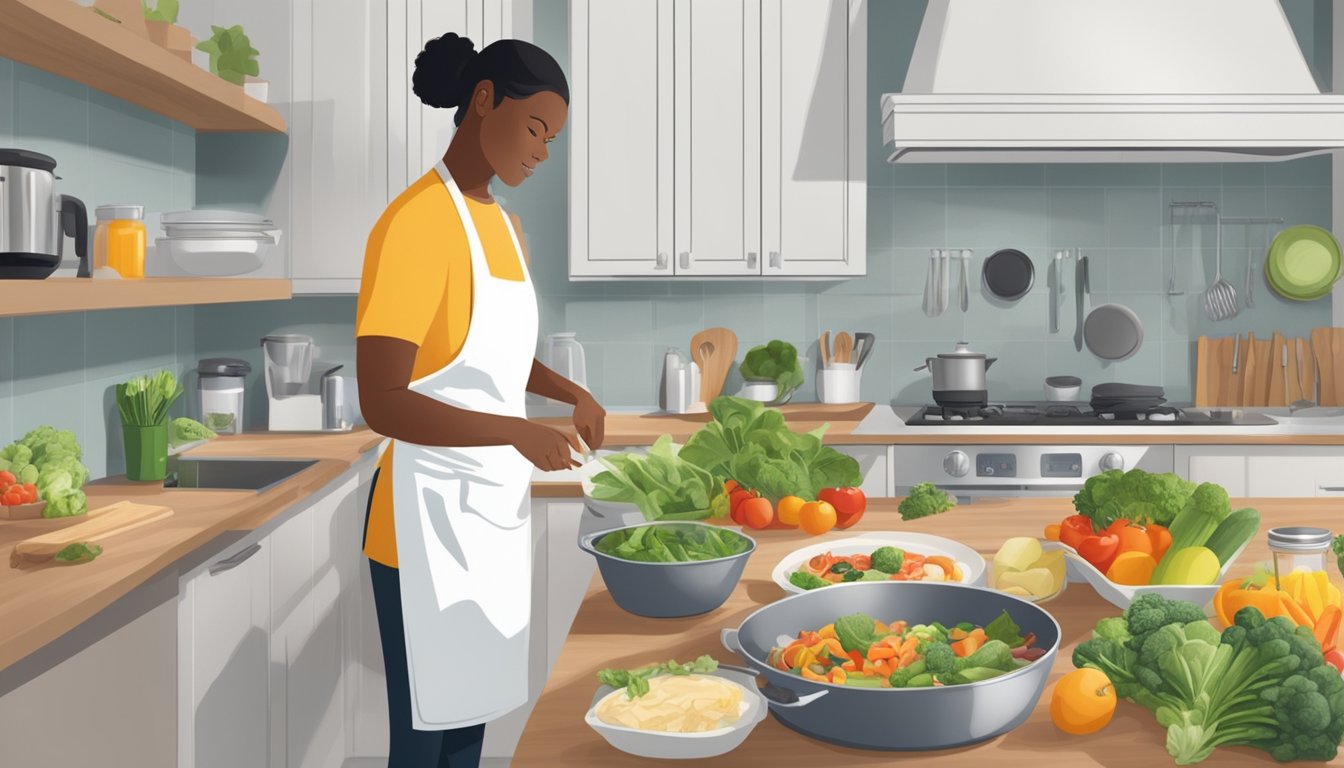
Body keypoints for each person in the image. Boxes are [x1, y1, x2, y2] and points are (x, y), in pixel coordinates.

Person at [354, 33, 603, 768]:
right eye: (536, 129)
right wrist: (518, 434)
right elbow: (383, 401)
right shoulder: (412, 224)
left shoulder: (501, 223)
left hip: (488, 518)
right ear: (484, 100)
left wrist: (568, 390)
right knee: (425, 735)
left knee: (472, 727)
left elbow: (487, 356)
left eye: (552, 139)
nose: (543, 153)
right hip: (419, 526)